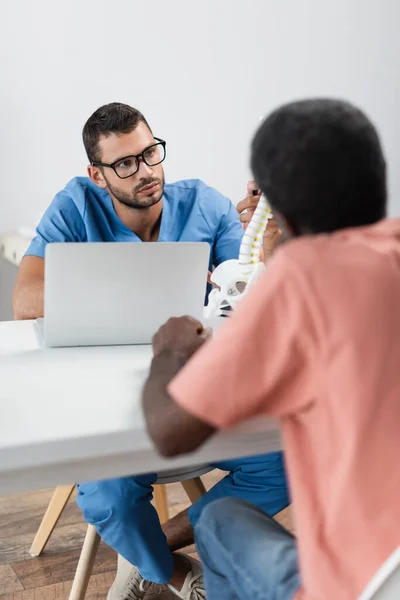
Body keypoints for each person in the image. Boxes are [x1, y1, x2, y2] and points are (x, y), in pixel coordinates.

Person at [12, 102, 289, 599]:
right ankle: (173, 573)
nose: (146, 172)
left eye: (150, 153)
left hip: (191, 392)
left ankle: (152, 549)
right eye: (125, 164)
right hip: (101, 397)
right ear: (98, 174)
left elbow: (247, 298)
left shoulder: (205, 204)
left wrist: (264, 243)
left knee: (287, 461)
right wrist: (123, 289)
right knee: (114, 497)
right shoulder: (74, 205)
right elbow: (25, 299)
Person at [142, 98, 400, 600]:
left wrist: (170, 352)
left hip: (356, 586)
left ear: (273, 206)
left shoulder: (301, 276)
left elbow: (171, 432)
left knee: (219, 519)